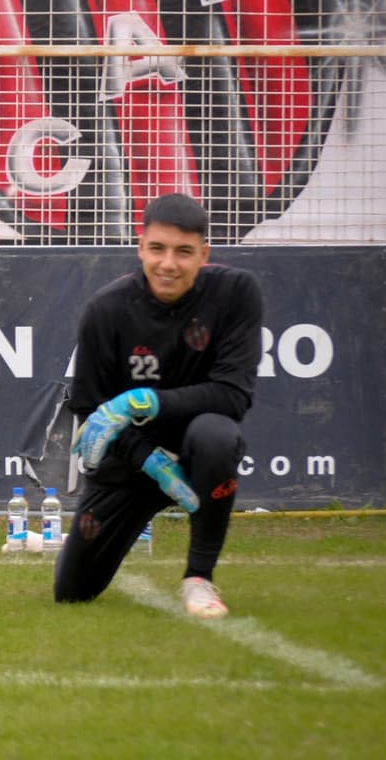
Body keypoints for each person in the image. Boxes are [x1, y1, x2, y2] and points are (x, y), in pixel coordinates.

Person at [55, 192, 263, 619]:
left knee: (217, 435)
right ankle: (144, 494)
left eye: (184, 252)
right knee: (72, 593)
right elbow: (89, 407)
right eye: (158, 249)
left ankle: (198, 579)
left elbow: (233, 395)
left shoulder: (237, 292)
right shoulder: (104, 311)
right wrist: (147, 459)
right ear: (140, 247)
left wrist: (143, 400)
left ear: (204, 253)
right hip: (133, 461)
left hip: (196, 450)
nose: (168, 263)